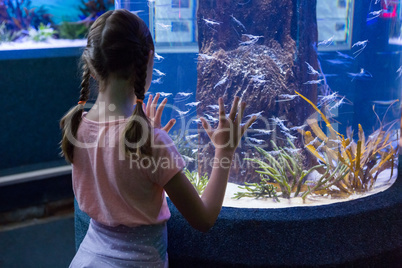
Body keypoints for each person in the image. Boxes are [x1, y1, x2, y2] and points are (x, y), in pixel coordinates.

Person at [60, 9, 256, 267]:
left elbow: (117, 170)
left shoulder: (75, 127)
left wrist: (142, 129)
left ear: (92, 66)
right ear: (149, 60)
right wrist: (224, 152)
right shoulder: (153, 143)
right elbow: (204, 219)